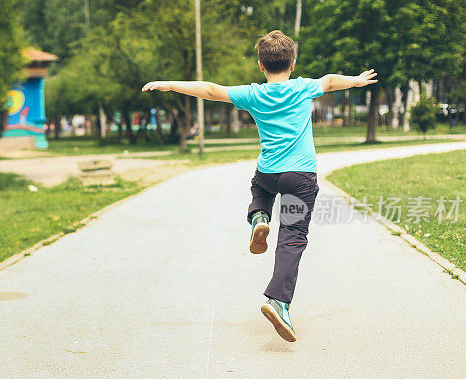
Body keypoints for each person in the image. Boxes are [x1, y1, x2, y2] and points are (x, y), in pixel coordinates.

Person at [142, 30, 377, 342]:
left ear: (261, 65)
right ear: (292, 63)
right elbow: (331, 80)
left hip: (269, 173)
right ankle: (278, 302)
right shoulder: (302, 88)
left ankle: (259, 217)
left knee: (260, 189)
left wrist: (169, 85)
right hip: (300, 178)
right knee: (292, 237)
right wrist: (357, 81)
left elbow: (211, 90)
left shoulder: (253, 93)